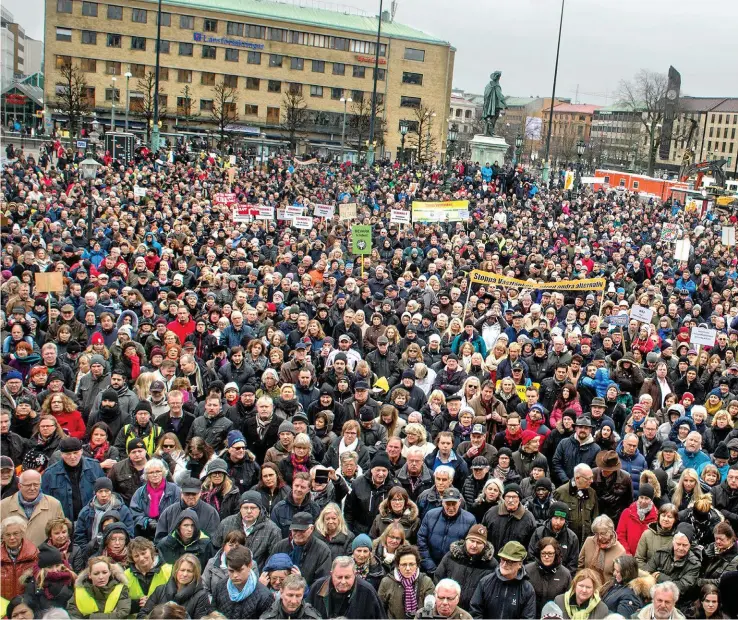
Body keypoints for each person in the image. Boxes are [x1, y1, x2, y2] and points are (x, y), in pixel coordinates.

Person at [40, 437, 105, 522]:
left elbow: (106, 492)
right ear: (61, 454)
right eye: (68, 454)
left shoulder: (95, 467)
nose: (72, 457)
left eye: (75, 453)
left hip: (92, 521)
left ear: (81, 451)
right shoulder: (50, 474)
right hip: (62, 524)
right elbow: (45, 503)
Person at [469, 540, 536, 619]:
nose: (504, 564)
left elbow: (528, 617)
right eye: (502, 559)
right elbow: (475, 612)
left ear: (520, 564)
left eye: (510, 562)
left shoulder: (527, 589)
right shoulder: (485, 582)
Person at [417, 488, 476, 576]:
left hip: (454, 571)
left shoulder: (470, 520)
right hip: (428, 569)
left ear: (459, 502)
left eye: (454, 503)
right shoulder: (430, 515)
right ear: (442, 502)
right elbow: (421, 541)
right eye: (448, 503)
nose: (451, 507)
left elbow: (469, 549)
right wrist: (430, 566)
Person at [306, 556, 386, 619]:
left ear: (355, 574)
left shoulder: (368, 592)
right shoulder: (318, 588)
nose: (343, 582)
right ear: (331, 574)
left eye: (347, 577)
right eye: (339, 577)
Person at [0, 469, 64, 547]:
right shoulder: (3, 506)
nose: (32, 488)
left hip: (44, 557)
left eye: (36, 485)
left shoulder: (54, 504)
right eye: (28, 485)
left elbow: (61, 533)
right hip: (13, 558)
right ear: (19, 486)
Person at [137, 553, 211, 619]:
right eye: (182, 570)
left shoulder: (201, 596)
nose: (185, 574)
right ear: (176, 570)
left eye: (189, 571)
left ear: (195, 574)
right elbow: (142, 615)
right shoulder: (160, 589)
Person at [344, 450, 398, 534]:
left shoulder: (395, 486)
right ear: (372, 469)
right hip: (360, 531)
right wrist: (349, 532)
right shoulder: (357, 483)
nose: (381, 474)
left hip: (385, 532)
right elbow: (349, 512)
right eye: (378, 470)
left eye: (384, 470)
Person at [74, 478, 135, 551]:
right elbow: (80, 536)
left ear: (111, 492)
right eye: (100, 491)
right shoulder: (86, 512)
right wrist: (87, 551)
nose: (104, 495)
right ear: (95, 493)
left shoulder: (122, 510)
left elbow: (129, 534)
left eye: (107, 491)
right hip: (92, 551)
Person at [272, 511, 332, 585]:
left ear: (311, 528)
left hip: (309, 595)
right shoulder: (279, 547)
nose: (298, 534)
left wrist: (301, 582)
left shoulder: (323, 551)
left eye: (302, 530)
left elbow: (322, 583)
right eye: (295, 530)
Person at [378, 544, 435, 619]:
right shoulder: (386, 582)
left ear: (417, 565)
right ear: (398, 565)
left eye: (411, 564)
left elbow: (431, 610)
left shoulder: (426, 582)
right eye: (404, 564)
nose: (408, 568)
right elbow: (379, 610)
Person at [154, 476, 220, 542]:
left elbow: (214, 541)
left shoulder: (211, 513)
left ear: (200, 492)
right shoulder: (169, 512)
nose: (191, 497)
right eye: (187, 493)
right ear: (181, 493)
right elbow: (159, 540)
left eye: (194, 494)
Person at [129, 457, 181, 537]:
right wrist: (147, 522)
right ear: (146, 475)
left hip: (169, 533)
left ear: (163, 472)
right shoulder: (140, 492)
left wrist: (163, 523)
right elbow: (135, 513)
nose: (155, 475)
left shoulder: (175, 490)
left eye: (158, 471)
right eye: (151, 472)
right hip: (146, 533)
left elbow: (179, 510)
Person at [67, 556, 132, 619]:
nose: (101, 577)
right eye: (96, 573)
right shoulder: (80, 590)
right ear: (89, 575)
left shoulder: (121, 588)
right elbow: (73, 613)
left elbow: (122, 614)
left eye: (104, 572)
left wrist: (90, 617)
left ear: (110, 573)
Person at [20, 543, 77, 616]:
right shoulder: (33, 584)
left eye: (57, 565)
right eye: (49, 567)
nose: (55, 570)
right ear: (42, 569)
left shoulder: (71, 578)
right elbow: (32, 610)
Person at [644, 524, 701, 596]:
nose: (681, 548)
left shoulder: (694, 564)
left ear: (690, 545)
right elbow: (646, 573)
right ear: (673, 542)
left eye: (684, 545)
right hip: (654, 594)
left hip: (679, 602)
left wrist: (659, 576)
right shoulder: (661, 553)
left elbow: (680, 587)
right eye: (678, 544)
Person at [482, 483, 536, 556]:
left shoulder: (528, 518)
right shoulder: (492, 513)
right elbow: (483, 537)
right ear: (504, 497)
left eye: (514, 497)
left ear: (519, 498)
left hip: (516, 561)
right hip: (492, 559)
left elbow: (531, 546)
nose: (510, 500)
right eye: (508, 496)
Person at [123, 537, 173, 617]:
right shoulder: (125, 575)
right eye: (136, 556)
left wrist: (152, 602)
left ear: (151, 551)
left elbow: (175, 598)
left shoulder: (169, 570)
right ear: (132, 558)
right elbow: (121, 603)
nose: (141, 558)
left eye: (143, 553)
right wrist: (138, 603)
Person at [528, 501, 580, 574]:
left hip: (562, 576)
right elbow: (531, 556)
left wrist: (564, 576)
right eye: (556, 518)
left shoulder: (572, 537)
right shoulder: (539, 532)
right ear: (551, 517)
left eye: (561, 519)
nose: (558, 522)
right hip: (539, 573)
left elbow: (573, 563)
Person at [554, 463, 600, 541]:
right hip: (566, 541)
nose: (591, 481)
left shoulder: (592, 493)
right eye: (588, 478)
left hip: (586, 541)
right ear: (577, 478)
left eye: (592, 477)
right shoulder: (560, 492)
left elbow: (595, 518)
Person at [270, 471, 321, 538]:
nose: (298, 489)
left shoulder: (315, 509)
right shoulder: (279, 508)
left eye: (302, 487)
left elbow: (317, 534)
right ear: (292, 485)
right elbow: (274, 535)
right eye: (296, 486)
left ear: (309, 489)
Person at [578, 514, 626, 583]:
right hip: (586, 586)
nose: (599, 537)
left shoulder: (620, 551)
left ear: (611, 531)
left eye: (603, 533)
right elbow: (580, 565)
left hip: (607, 590)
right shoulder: (589, 541)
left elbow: (619, 577)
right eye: (597, 534)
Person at [1, 516, 38, 600]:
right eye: (8, 534)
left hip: (25, 606)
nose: (12, 538)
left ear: (22, 533)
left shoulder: (34, 555)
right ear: (3, 536)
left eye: (15, 533)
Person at [617, 482, 658, 555]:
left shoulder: (656, 517)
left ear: (651, 499)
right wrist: (627, 553)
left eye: (646, 498)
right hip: (628, 556)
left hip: (645, 559)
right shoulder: (627, 513)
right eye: (641, 497)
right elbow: (620, 535)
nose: (643, 501)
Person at [635, 503, 679, 569]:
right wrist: (649, 574)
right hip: (648, 575)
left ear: (675, 520)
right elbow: (639, 559)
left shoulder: (679, 537)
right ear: (658, 517)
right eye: (663, 515)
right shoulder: (647, 534)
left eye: (670, 517)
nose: (666, 519)